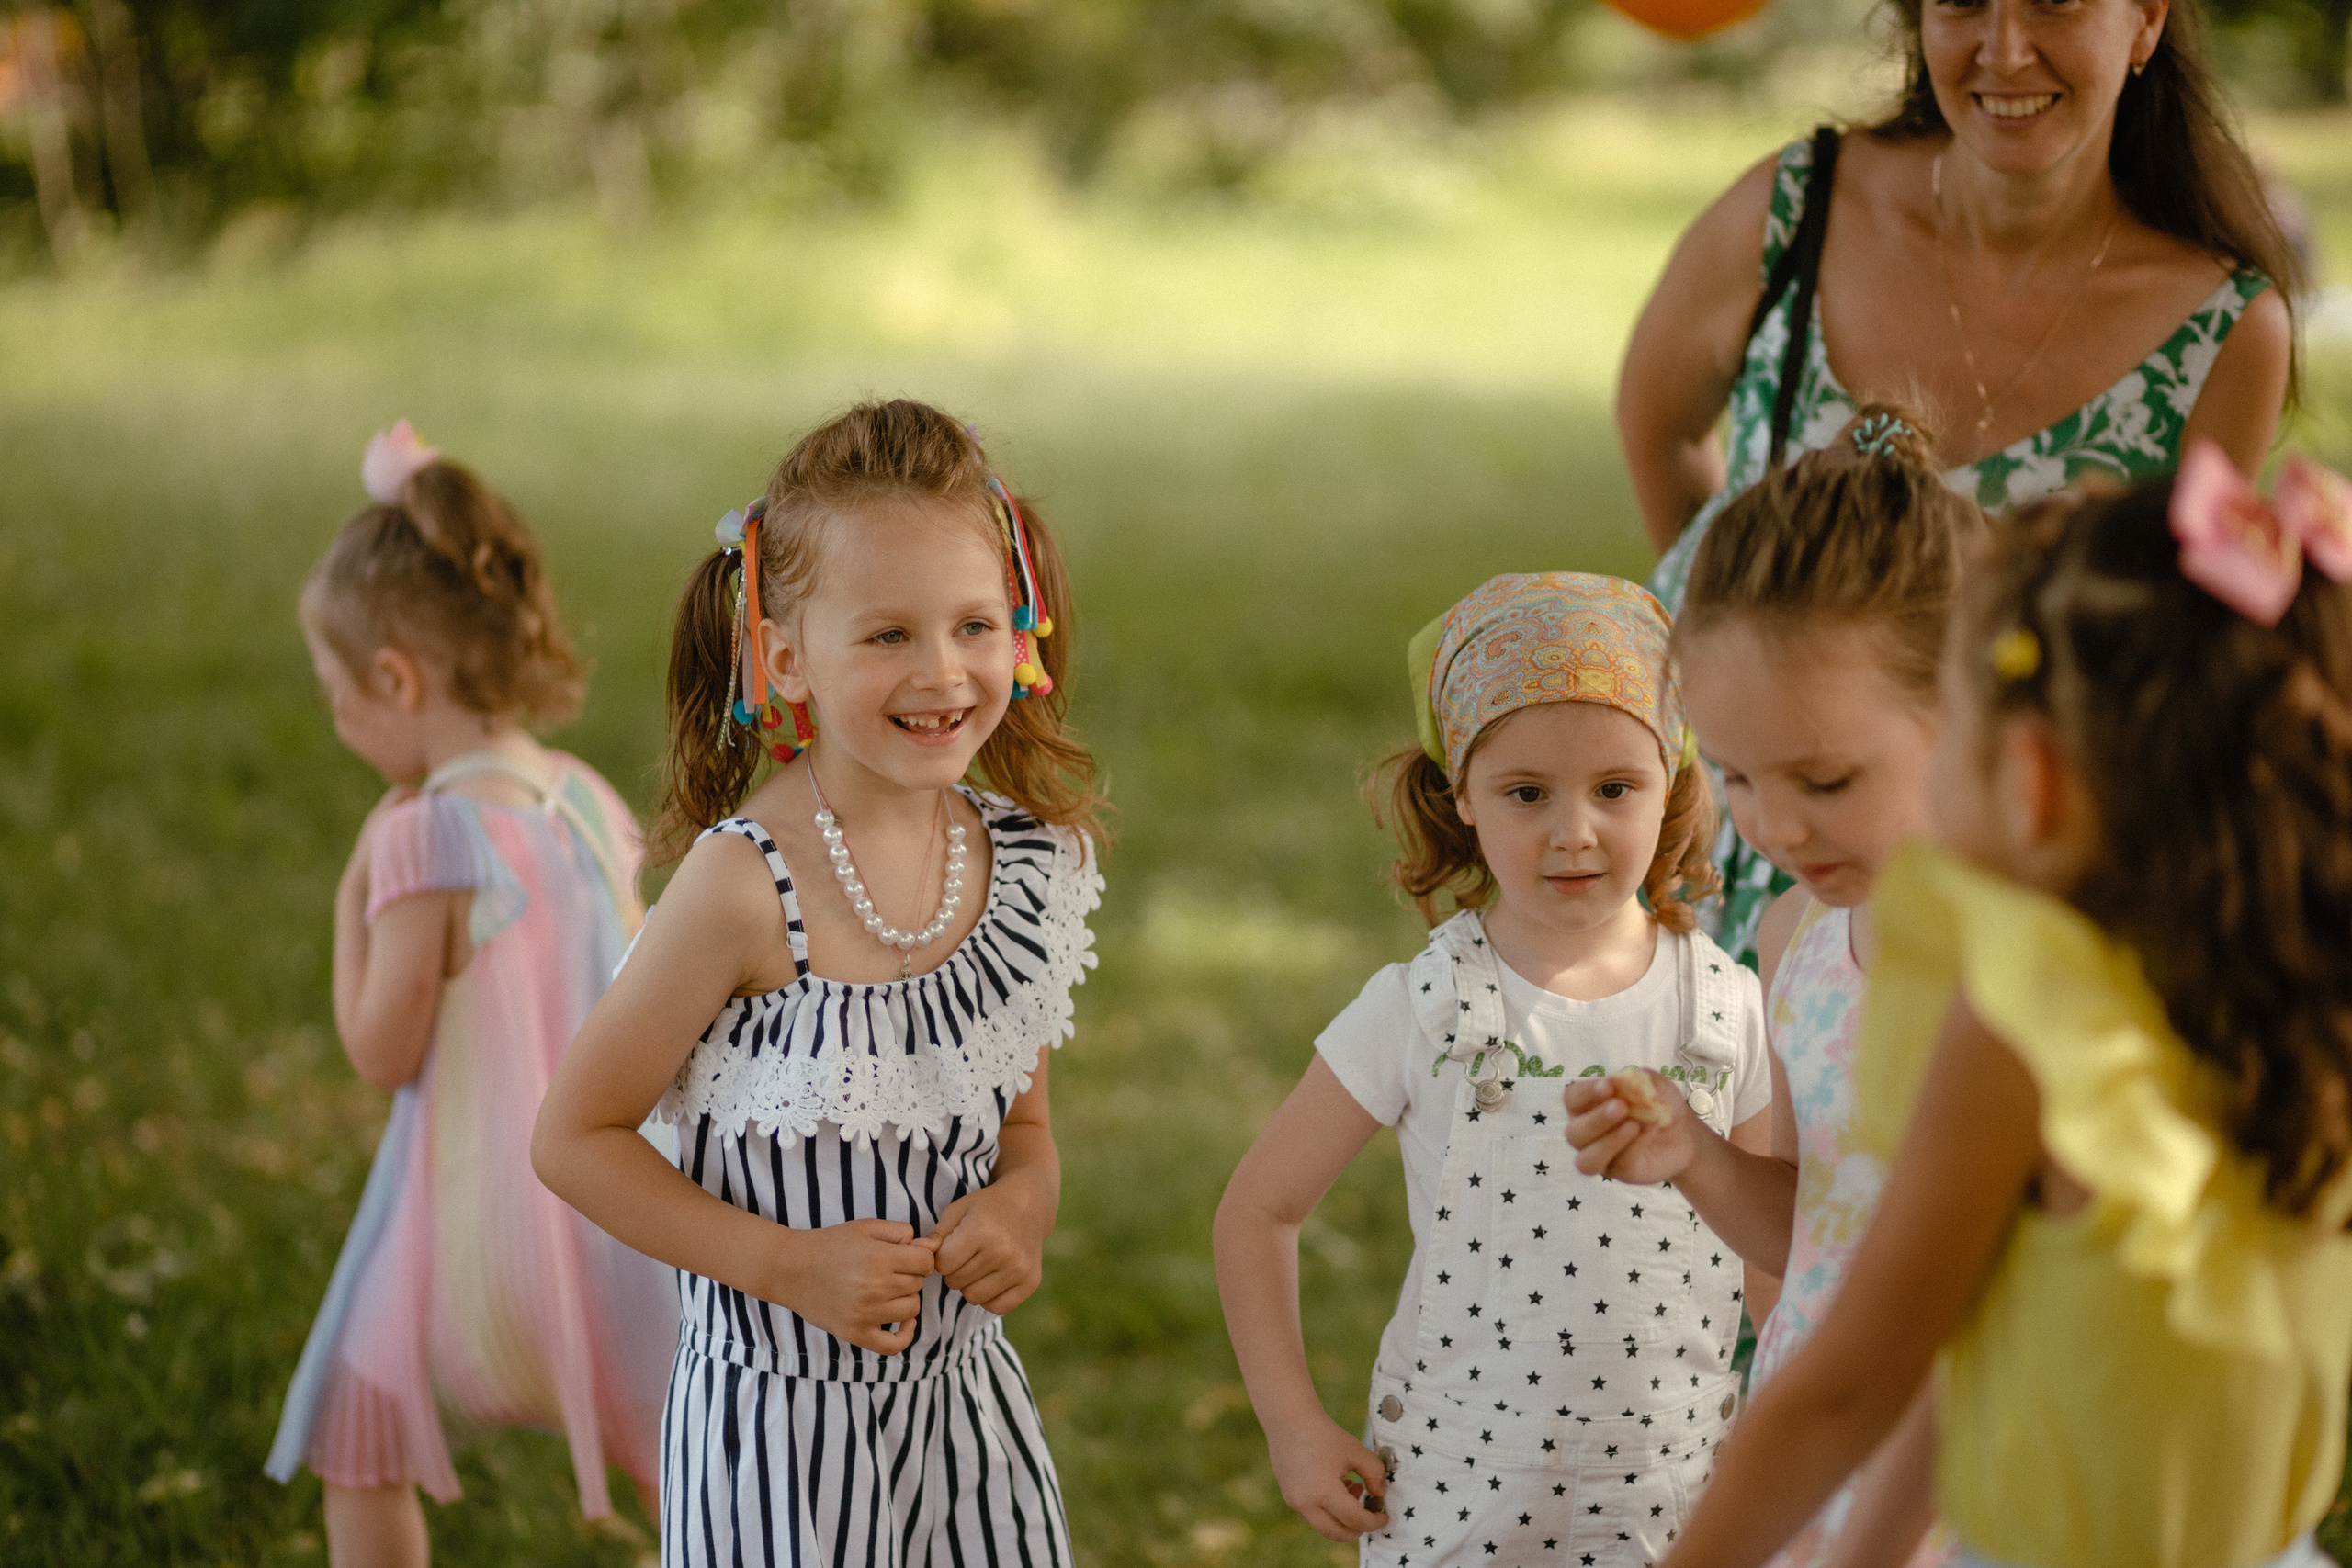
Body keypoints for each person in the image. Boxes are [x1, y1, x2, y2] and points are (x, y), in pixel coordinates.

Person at [1657, 448, 2352, 1568]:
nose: (1773, 827)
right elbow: (1981, 1330)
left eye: (1828, 781)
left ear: (2024, 773)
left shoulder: (2022, 1021)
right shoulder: (2288, 994)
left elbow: (1854, 1387)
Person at [531, 400, 1104, 1566]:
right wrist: (785, 1265)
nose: (942, 672)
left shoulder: (1027, 866)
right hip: (775, 1441)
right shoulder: (742, 887)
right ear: (784, 655)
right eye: (887, 635)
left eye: (975, 626)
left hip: (965, 1421)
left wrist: (1020, 1208)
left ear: (1021, 630)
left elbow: (1026, 1126)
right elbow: (572, 1136)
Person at [1617, 0, 2300, 966]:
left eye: (2055, 1)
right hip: (1717, 844)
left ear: (2145, 21)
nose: (2004, 49)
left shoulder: (2223, 332)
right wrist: (1757, 640)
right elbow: (1659, 427)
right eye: (1963, 3)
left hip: (1969, 910)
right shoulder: (1794, 209)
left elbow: (2164, 660)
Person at [1215, 573, 1773, 1565]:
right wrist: (1293, 1425)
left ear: (1676, 781)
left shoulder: (1727, 1010)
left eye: (1614, 788)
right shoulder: (1423, 1006)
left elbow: (1777, 1256)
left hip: (1678, 1504)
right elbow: (1259, 1210)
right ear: (1460, 797)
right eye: (1526, 793)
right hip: (1460, 1505)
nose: (1574, 831)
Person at [1567, 407, 1984, 1568]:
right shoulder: (1799, 934)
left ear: (1971, 710)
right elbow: (1817, 1222)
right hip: (1817, 1455)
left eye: (1828, 777)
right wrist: (1698, 1160)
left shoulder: (2024, 969)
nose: (1777, 825)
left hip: (1975, 1476)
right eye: (1738, 776)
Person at [268, 422, 677, 1565]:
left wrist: (357, 898)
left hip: (469, 1238)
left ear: (394, 679)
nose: (334, 713)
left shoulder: (422, 837)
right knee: (683, 1444)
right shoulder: (590, 800)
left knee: (360, 1433)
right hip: (613, 1225)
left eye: (334, 688)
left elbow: (381, 1050)